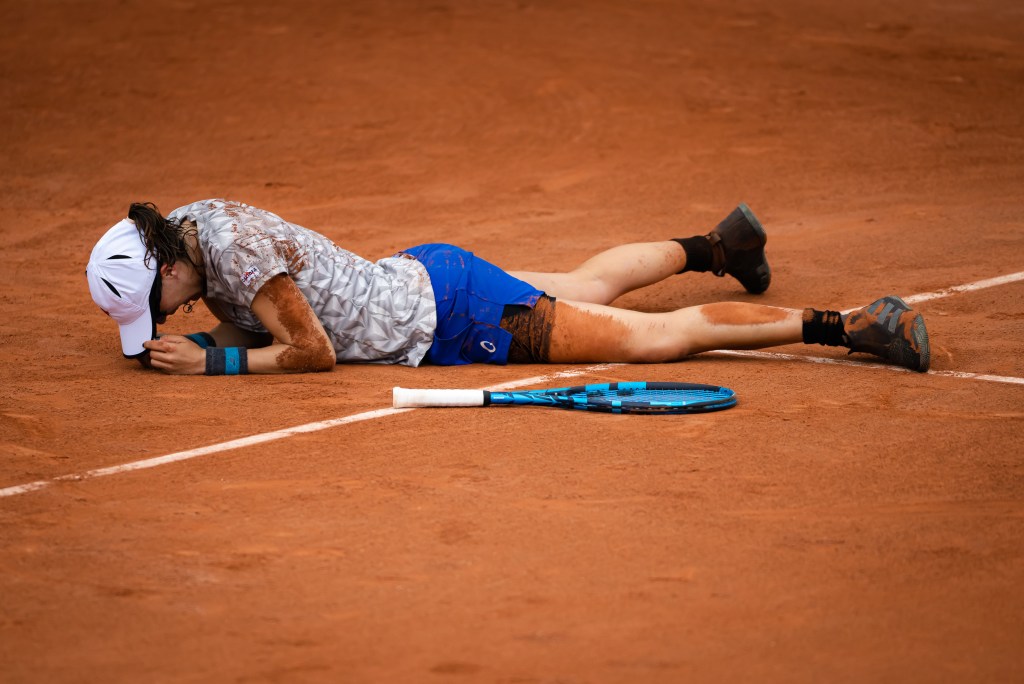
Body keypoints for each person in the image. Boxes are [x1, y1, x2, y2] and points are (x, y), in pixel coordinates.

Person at [85, 199, 930, 376]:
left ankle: (852, 325)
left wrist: (216, 363)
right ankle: (722, 244)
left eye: (157, 305)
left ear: (165, 267)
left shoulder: (231, 258)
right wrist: (199, 336)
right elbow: (254, 313)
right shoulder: (190, 223)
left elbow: (310, 350)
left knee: (651, 339)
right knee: (590, 283)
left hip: (453, 316)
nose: (170, 313)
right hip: (421, 274)